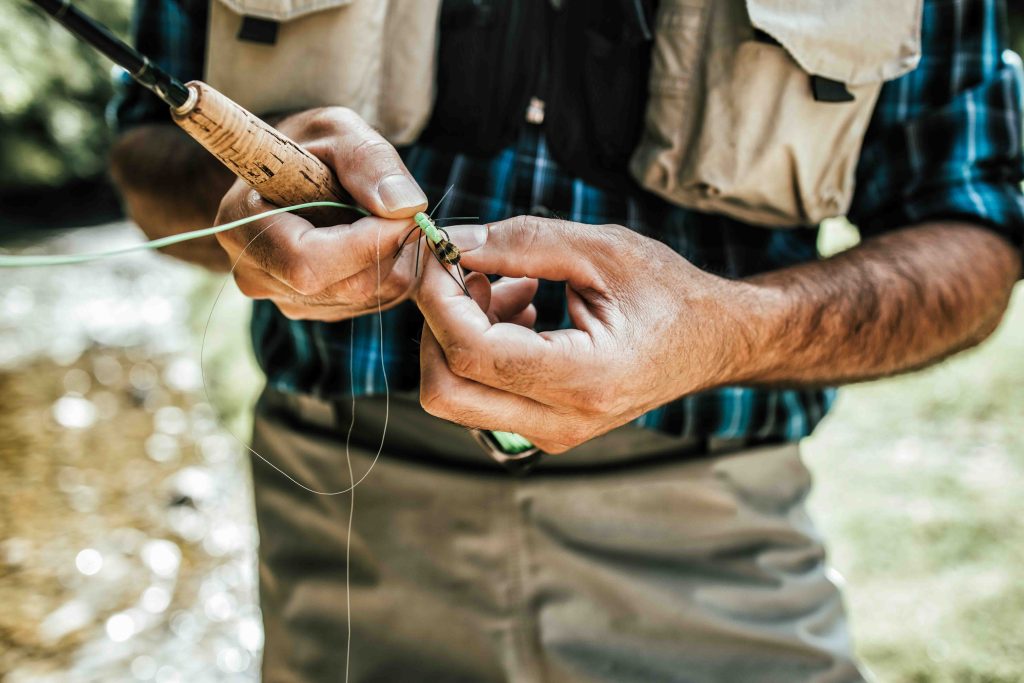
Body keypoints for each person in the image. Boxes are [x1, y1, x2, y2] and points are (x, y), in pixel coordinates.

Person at [109, 0, 1024, 680]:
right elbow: (146, 153)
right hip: (347, 540)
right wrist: (252, 190)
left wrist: (728, 331)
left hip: (718, 545)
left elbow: (974, 230)